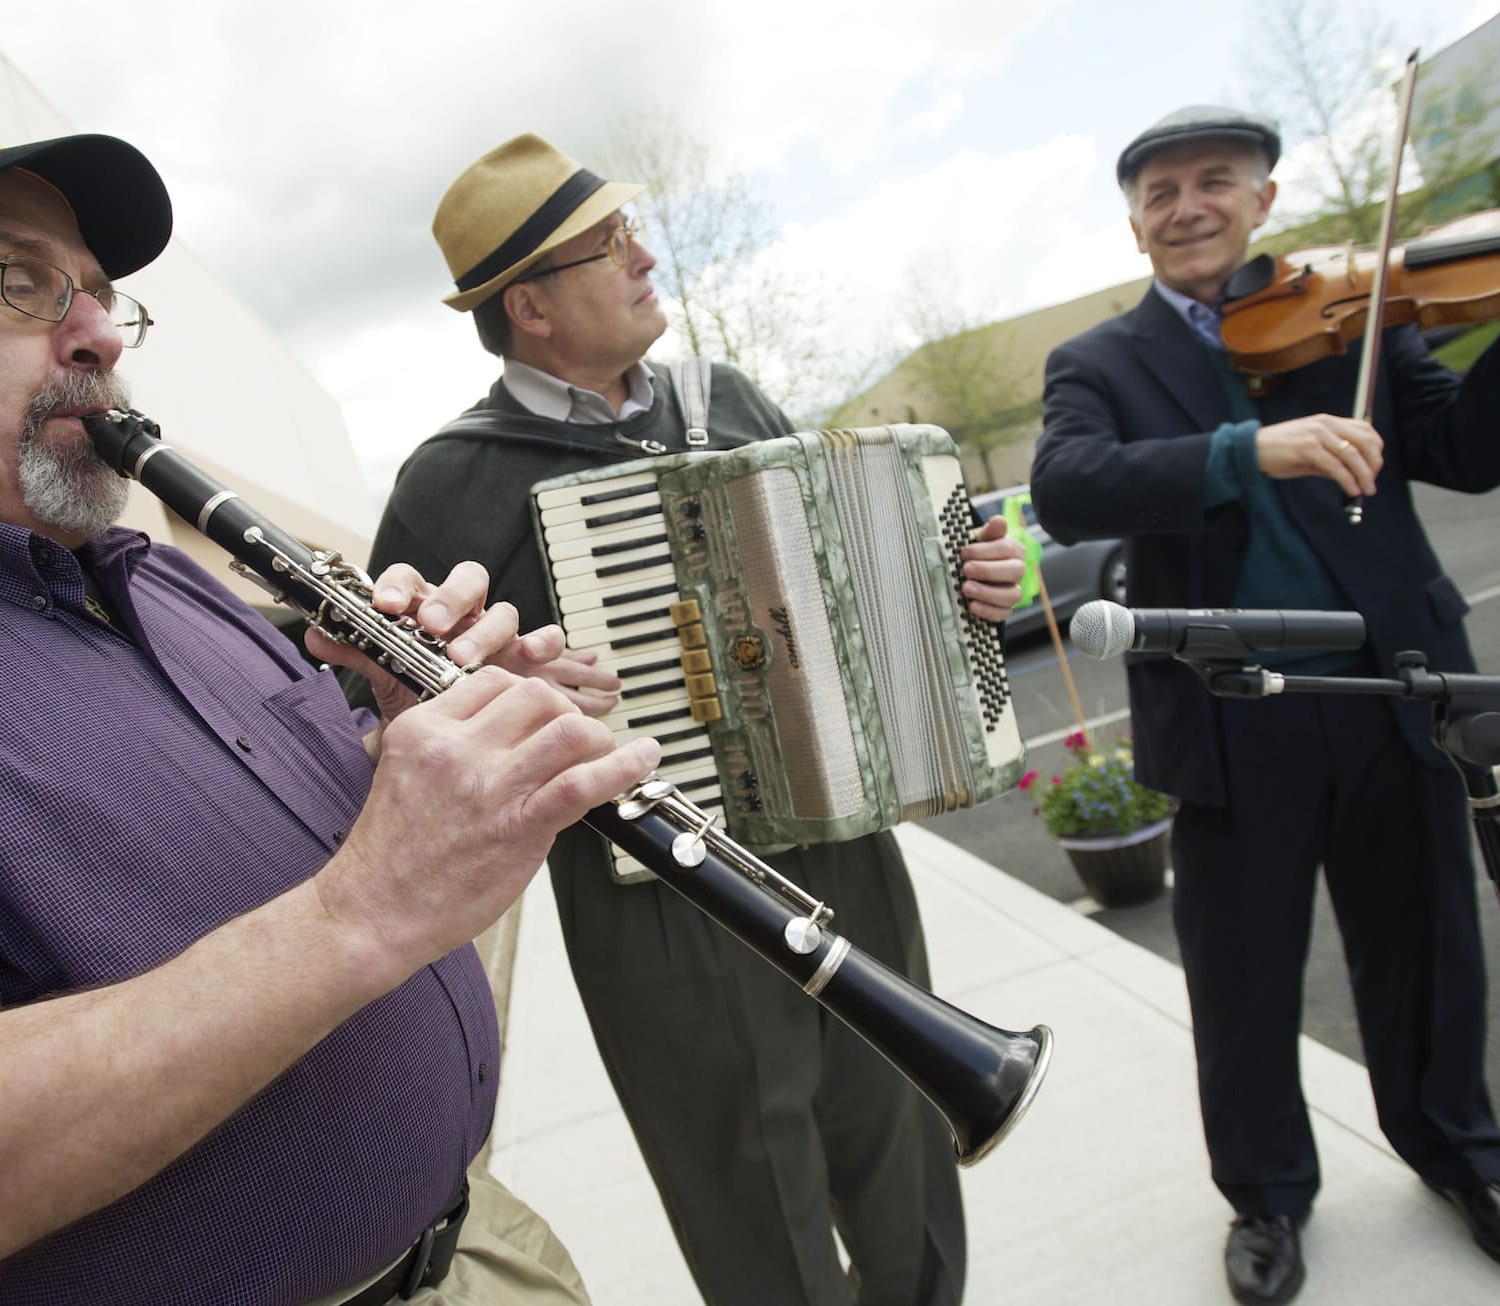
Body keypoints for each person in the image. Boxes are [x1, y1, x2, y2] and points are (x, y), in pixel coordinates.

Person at [0, 124, 663, 1306]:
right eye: (19, 279)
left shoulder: (160, 574)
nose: (102, 332)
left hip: (484, 1251)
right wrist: (366, 904)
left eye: (105, 297)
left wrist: (425, 734)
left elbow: (325, 840)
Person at [368, 133, 1032, 1306]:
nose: (643, 255)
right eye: (608, 243)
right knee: (747, 1187)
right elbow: (397, 716)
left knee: (907, 1141)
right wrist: (515, 703)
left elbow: (851, 571)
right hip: (653, 892)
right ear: (528, 303)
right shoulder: (446, 483)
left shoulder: (722, 400)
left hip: (843, 836)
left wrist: (961, 582)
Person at [1030, 105, 1500, 1304]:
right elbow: (1068, 484)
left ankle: (1463, 1161)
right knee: (1240, 979)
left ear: (1264, 199)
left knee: (1425, 947)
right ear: (1134, 222)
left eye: (1214, 181)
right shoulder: (1096, 362)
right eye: (1160, 192)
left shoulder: (1348, 309)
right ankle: (1263, 1196)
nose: (1186, 206)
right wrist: (1250, 448)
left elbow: (1470, 446)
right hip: (1230, 707)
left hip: (1387, 683)